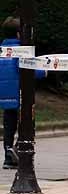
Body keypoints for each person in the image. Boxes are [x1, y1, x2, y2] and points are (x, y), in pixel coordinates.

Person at [0, 17, 44, 169]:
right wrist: (43, 71)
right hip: (20, 94)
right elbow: (28, 70)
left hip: (5, 95)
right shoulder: (22, 50)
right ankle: (19, 151)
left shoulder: (2, 49)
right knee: (24, 124)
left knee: (8, 125)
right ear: (20, 34)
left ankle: (8, 155)